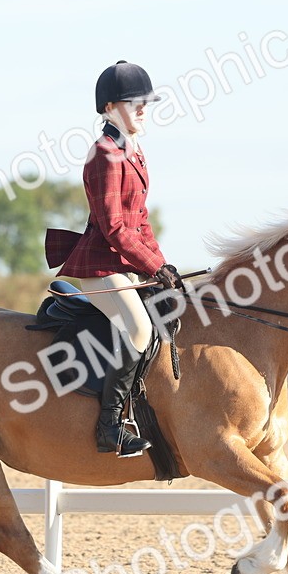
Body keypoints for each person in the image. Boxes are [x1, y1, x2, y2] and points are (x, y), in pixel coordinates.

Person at [46, 60, 185, 458]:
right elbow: (114, 228)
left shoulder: (134, 152)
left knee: (172, 307)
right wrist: (152, 267)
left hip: (123, 262)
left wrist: (163, 265)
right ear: (109, 108)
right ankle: (110, 427)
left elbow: (141, 222)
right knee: (139, 329)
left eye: (145, 103)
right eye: (133, 102)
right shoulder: (104, 155)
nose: (143, 109)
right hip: (98, 265)